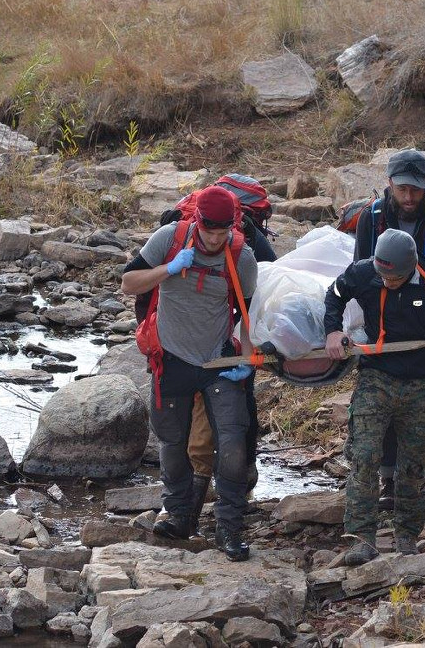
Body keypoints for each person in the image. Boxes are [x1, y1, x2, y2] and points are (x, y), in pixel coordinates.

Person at [324, 230, 425, 564]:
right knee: (365, 455)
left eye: (395, 277)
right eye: (383, 276)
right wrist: (333, 330)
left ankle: (407, 535)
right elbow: (336, 294)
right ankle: (361, 537)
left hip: (422, 383)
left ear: (411, 266)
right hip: (376, 376)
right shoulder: (364, 272)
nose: (388, 282)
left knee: (413, 463)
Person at [121, 186, 258, 561]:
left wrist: (245, 360)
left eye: (222, 232)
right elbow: (128, 283)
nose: (215, 239)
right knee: (171, 442)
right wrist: (169, 268)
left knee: (231, 445)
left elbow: (247, 316)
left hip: (218, 362)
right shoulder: (169, 239)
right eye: (209, 231)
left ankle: (229, 530)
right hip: (172, 358)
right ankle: (180, 516)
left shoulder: (241, 256)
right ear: (197, 222)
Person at [160, 175, 276, 526]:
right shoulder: (174, 232)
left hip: (221, 343)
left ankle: (194, 513)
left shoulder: (241, 242)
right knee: (221, 424)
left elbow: (258, 290)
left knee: (222, 424)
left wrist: (248, 352)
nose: (214, 237)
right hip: (190, 345)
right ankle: (192, 511)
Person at [352, 148, 425, 510]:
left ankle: (412, 480)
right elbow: (359, 271)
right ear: (389, 184)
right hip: (381, 321)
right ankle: (387, 480)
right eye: (403, 190)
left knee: (420, 399)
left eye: (416, 190)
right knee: (379, 403)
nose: (410, 198)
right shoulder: (373, 216)